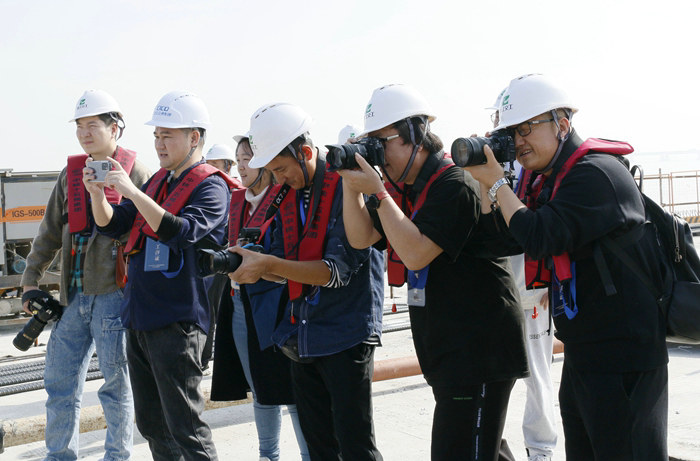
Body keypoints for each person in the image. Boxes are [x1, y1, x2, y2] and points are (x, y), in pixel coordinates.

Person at [465, 73, 669, 460]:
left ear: (561, 125)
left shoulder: (595, 173)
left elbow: (540, 237)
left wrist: (497, 185)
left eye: (526, 128)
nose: (518, 141)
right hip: (585, 354)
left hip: (624, 355)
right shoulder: (550, 179)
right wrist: (483, 182)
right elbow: (503, 241)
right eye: (511, 132)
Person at [338, 83, 528, 460]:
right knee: (482, 449)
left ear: (415, 134)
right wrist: (350, 183)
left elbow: (415, 254)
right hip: (449, 352)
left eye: (382, 143)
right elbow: (361, 238)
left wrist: (378, 192)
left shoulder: (454, 183)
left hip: (478, 352)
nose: (379, 155)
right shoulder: (403, 188)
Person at [228, 102, 384, 461]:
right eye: (272, 172)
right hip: (303, 333)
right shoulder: (288, 192)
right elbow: (282, 265)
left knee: (355, 446)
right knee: (319, 448)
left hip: (347, 331)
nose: (279, 179)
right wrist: (252, 267)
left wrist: (269, 264)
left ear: (307, 153)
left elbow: (335, 272)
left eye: (281, 169)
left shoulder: (346, 183)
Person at [85, 90, 235, 461]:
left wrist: (131, 191)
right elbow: (114, 225)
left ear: (194, 137)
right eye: (156, 135)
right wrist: (97, 194)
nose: (159, 143)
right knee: (152, 424)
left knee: (186, 427)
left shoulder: (211, 185)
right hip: (141, 316)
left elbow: (180, 232)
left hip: (178, 321)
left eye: (167, 135)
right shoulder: (158, 183)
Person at [20, 89, 150, 461]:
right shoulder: (71, 174)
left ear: (115, 129)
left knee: (116, 386)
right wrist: (30, 281)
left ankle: (117, 456)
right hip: (71, 299)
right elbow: (49, 232)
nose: (84, 133)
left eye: (93, 125)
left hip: (114, 296)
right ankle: (59, 456)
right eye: (79, 126)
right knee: (59, 384)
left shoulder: (136, 173)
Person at [210, 134, 309, 461]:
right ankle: (268, 454)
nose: (241, 166)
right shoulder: (236, 200)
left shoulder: (287, 197)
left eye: (248, 159)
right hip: (240, 302)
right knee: (260, 387)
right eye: (238, 159)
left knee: (291, 389)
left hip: (278, 305)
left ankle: (310, 453)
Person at [488, 91, 558, 461]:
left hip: (532, 284)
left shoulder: (539, 163)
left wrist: (550, 281)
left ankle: (541, 449)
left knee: (537, 373)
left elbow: (548, 224)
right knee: (493, 374)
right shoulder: (489, 158)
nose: (510, 135)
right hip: (496, 284)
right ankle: (493, 446)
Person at [201, 143, 242, 373]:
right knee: (208, 309)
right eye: (208, 164)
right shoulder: (207, 188)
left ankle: (206, 358)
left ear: (227, 166)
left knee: (215, 310)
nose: (210, 169)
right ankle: (205, 358)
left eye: (215, 164)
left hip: (226, 258)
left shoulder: (234, 191)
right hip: (211, 258)